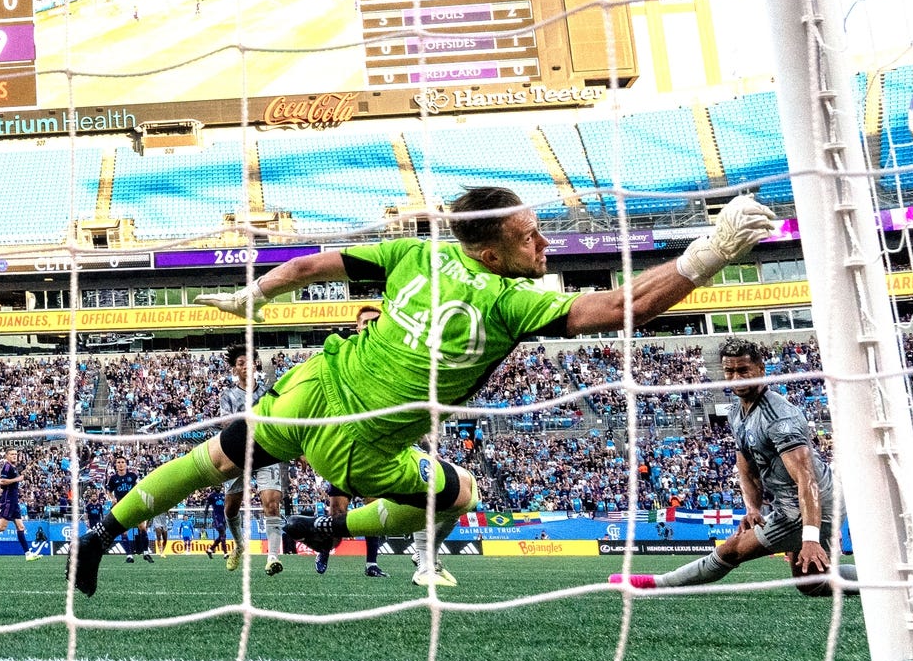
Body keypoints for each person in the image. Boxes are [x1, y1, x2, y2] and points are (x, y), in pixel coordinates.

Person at [69, 187, 775, 597]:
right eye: (532, 238)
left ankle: (100, 534)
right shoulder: (510, 301)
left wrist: (252, 296)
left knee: (214, 459)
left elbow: (310, 265)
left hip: (313, 385)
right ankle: (336, 529)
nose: (546, 246)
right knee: (460, 492)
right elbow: (624, 307)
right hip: (360, 444)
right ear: (492, 253)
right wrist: (708, 254)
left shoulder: (418, 252)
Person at [610, 338, 858, 596]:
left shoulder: (779, 417)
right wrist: (753, 509)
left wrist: (810, 537)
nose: (735, 378)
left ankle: (657, 584)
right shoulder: (737, 413)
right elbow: (746, 467)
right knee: (812, 583)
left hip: (813, 505)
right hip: (793, 504)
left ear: (761, 369)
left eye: (743, 370)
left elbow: (807, 479)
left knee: (732, 549)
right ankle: (879, 576)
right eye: (729, 371)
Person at [313, 305, 391, 579]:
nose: (369, 326)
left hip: (372, 449)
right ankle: (325, 549)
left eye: (374, 322)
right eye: (364, 323)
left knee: (372, 510)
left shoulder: (388, 360)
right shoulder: (346, 356)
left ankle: (371, 564)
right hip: (345, 449)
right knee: (337, 515)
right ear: (356, 327)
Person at [218, 344, 286, 576]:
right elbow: (227, 425)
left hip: (266, 451)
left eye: (249, 362)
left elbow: (278, 421)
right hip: (238, 453)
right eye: (240, 363)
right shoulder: (228, 396)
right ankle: (239, 545)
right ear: (234, 369)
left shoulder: (268, 393)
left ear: (256, 365)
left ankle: (273, 557)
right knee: (231, 508)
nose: (246, 366)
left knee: (272, 503)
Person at [0, 448, 39, 560]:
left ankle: (28, 554)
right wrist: (18, 479)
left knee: (20, 527)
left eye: (15, 454)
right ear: (7, 456)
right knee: (1, 527)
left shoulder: (13, 467)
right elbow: (2, 481)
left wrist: (22, 475)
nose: (14, 456)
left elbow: (11, 480)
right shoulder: (7, 466)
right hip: (9, 500)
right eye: (12, 454)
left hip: (14, 501)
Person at [106, 457, 153, 564]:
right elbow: (108, 490)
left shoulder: (132, 476)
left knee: (142, 527)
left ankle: (146, 553)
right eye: (118, 462)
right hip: (122, 507)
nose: (120, 464)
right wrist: (112, 498)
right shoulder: (113, 478)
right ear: (116, 465)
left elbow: (141, 486)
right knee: (124, 532)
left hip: (134, 505)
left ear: (126, 464)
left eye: (122, 462)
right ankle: (129, 556)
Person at [203, 487, 230, 561]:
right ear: (214, 487)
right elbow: (207, 507)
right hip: (216, 517)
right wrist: (205, 520)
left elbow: (227, 505)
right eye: (217, 486)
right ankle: (225, 553)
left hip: (223, 517)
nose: (218, 487)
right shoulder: (211, 496)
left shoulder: (223, 495)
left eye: (219, 486)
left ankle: (210, 549)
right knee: (223, 533)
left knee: (222, 535)